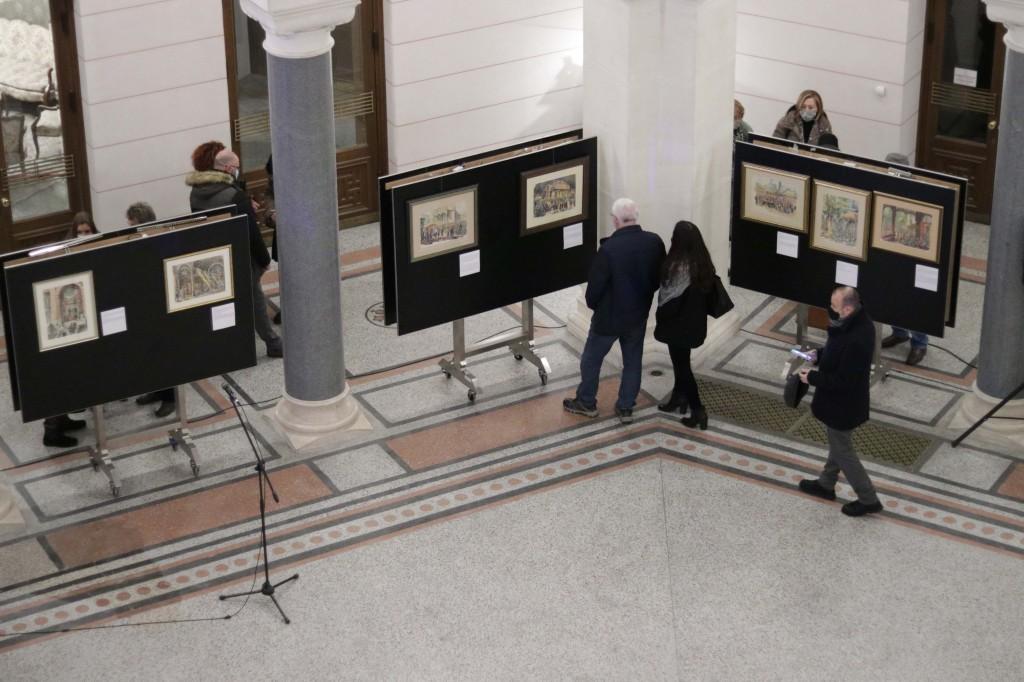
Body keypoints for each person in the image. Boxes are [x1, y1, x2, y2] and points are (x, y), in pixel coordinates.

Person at [563, 198, 665, 424]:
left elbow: (594, 290)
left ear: (615, 220)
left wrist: (594, 305)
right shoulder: (654, 242)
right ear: (635, 217)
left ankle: (586, 402)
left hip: (608, 318)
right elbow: (660, 277)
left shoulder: (608, 249)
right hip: (638, 315)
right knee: (633, 361)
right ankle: (626, 406)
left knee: (591, 360)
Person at [185, 142, 282, 358]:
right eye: (236, 166)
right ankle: (273, 342)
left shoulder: (196, 192)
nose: (239, 170)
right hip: (240, 255)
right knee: (255, 298)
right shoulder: (233, 195)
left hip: (214, 255)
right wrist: (263, 259)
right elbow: (251, 231)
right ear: (228, 169)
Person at [797, 286, 883, 517]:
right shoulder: (855, 323)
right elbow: (837, 350)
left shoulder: (857, 337)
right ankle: (826, 484)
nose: (831, 311)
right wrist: (819, 354)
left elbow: (843, 380)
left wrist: (812, 377)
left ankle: (868, 498)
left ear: (847, 308)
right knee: (838, 444)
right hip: (844, 402)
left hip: (843, 404)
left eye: (834, 307)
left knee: (843, 450)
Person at [654, 221, 716, 430]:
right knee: (682, 361)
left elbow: (667, 296)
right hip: (695, 324)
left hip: (677, 325)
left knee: (682, 367)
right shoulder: (703, 264)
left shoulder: (677, 267)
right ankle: (678, 398)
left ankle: (698, 409)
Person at [122, 201, 178, 416]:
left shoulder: (160, 242)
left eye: (132, 224)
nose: (129, 228)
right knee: (148, 353)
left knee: (163, 354)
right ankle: (156, 389)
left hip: (160, 308)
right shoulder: (136, 242)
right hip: (143, 306)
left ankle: (169, 397)